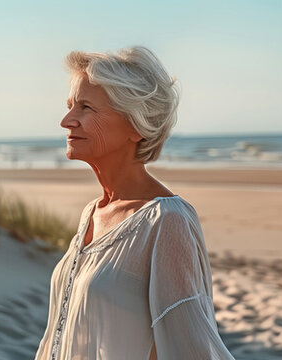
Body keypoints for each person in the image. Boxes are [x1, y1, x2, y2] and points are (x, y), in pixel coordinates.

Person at [34, 46, 235, 359]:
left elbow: (188, 347)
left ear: (135, 126)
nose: (66, 121)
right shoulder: (93, 213)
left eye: (86, 107)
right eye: (70, 106)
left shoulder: (166, 220)